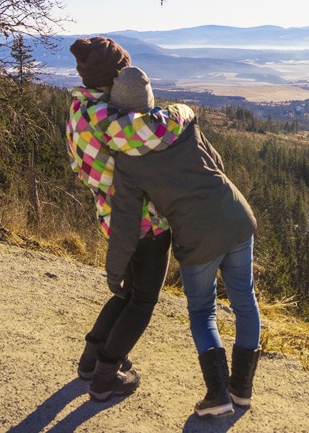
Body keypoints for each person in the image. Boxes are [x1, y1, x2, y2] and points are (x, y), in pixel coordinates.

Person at [107, 65, 261, 418]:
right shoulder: (180, 122)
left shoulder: (126, 159)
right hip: (236, 215)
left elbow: (127, 223)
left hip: (196, 236)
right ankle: (242, 390)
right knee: (244, 301)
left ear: (120, 111)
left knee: (203, 311)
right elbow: (217, 163)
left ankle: (218, 393)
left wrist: (115, 272)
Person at [65, 37, 191, 402]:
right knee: (142, 300)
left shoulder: (79, 107)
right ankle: (106, 375)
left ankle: (91, 360)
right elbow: (160, 127)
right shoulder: (106, 119)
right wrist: (185, 110)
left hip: (111, 215)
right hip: (142, 222)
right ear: (115, 78)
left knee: (127, 292)